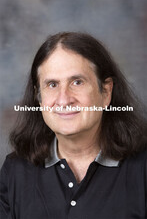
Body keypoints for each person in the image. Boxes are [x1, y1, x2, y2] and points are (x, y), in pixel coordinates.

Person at [0, 32, 146, 219]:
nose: (64, 99)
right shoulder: (15, 171)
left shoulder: (141, 168)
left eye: (77, 82)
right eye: (52, 84)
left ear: (106, 92)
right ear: (39, 97)